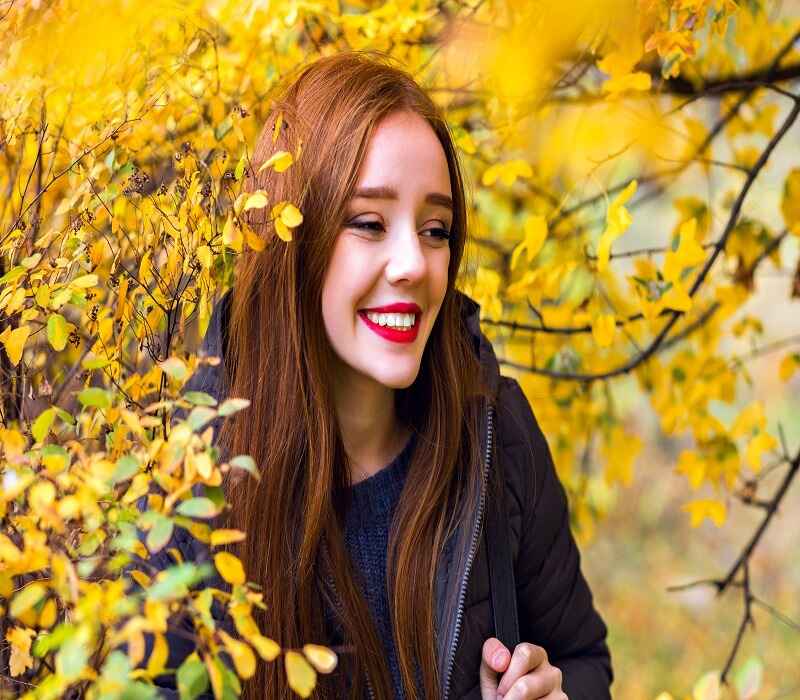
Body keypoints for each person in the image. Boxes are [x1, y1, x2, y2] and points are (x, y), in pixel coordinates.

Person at [127, 51, 612, 700]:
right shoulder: (191, 484)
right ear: (292, 243)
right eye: (368, 223)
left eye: (436, 229)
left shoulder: (495, 436)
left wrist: (557, 693)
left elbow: (583, 658)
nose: (413, 263)